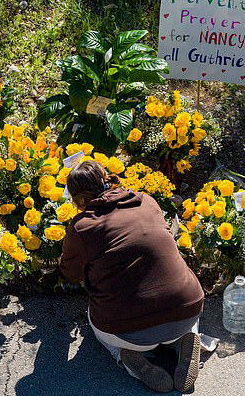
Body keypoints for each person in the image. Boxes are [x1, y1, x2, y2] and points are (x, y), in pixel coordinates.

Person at [60, 160, 205, 393]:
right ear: (106, 179)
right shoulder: (146, 201)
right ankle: (188, 338)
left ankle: (128, 359)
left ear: (78, 200)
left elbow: (70, 274)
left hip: (127, 329)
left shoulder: (82, 227)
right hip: (186, 309)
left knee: (96, 321)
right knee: (180, 301)